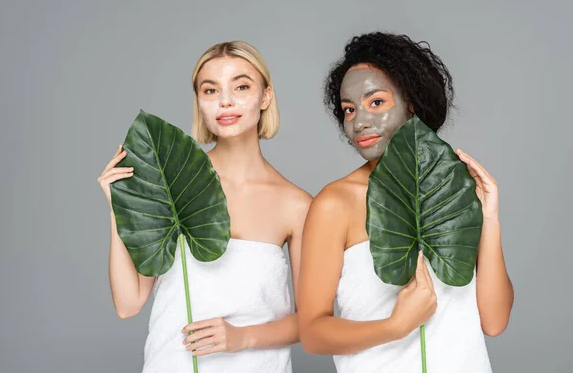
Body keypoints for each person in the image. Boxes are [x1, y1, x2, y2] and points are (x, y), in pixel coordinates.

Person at [297, 32, 514, 372]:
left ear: (411, 102)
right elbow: (312, 333)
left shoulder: (454, 188)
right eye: (349, 110)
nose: (360, 122)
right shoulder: (334, 203)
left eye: (377, 102)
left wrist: (489, 219)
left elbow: (495, 321)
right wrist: (394, 327)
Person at [97, 40, 311, 372]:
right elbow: (128, 303)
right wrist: (118, 208)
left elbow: (311, 322)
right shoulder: (170, 184)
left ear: (265, 96)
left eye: (241, 86)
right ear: (199, 102)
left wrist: (241, 337)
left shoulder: (296, 205)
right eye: (210, 91)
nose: (225, 101)